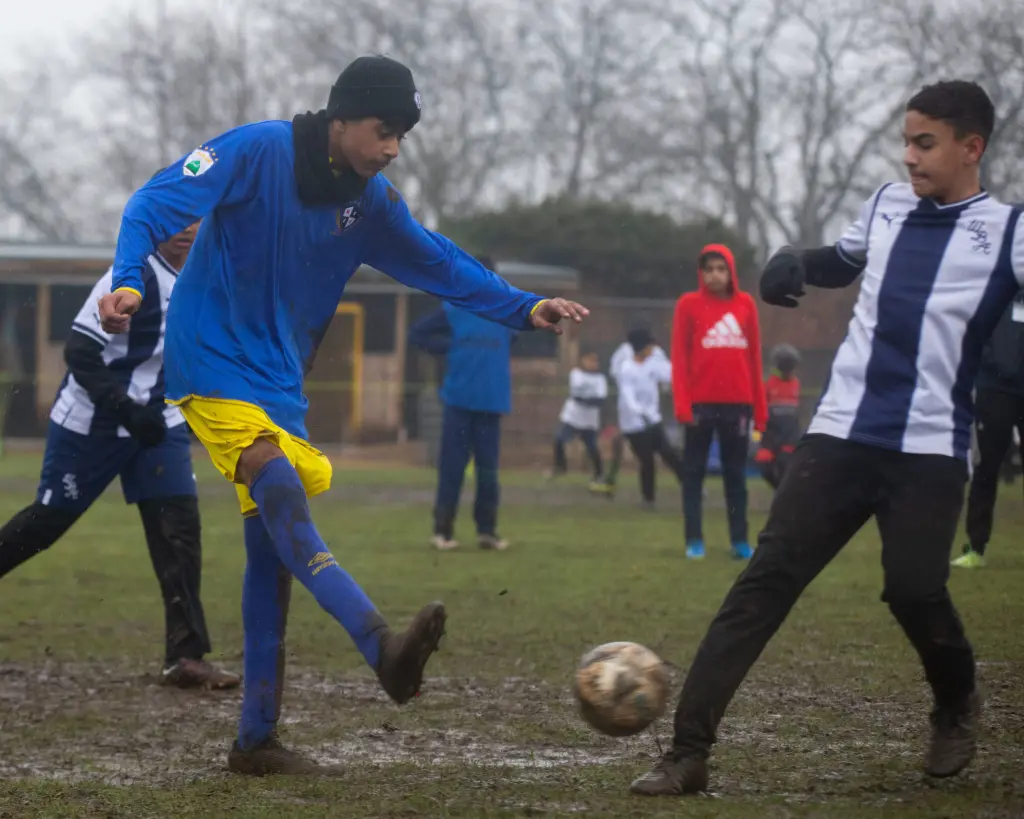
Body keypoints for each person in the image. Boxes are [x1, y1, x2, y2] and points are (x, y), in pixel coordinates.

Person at [97, 55, 587, 776]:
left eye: (402, 137)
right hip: (208, 356)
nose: (391, 149)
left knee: (271, 553)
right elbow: (151, 204)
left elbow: (441, 262)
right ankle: (378, 643)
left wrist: (523, 305)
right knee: (278, 484)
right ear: (341, 118)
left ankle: (255, 739)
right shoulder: (256, 149)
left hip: (279, 381)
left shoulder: (374, 203)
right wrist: (128, 280)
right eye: (382, 131)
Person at [630, 80, 1019, 798]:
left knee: (913, 589)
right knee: (764, 582)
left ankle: (957, 700)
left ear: (972, 147)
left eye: (924, 142)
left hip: (930, 448)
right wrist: (795, 261)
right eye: (904, 140)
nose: (908, 156)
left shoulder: (1009, 231)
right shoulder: (885, 204)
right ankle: (686, 752)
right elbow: (840, 259)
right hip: (840, 432)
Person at [0, 224, 238, 690]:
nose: (187, 231)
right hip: (95, 421)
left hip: (157, 422)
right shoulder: (130, 277)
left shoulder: (209, 275)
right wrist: (124, 407)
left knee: (179, 529)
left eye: (196, 219)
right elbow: (80, 353)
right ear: (155, 222)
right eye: (175, 219)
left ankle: (185, 657)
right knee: (46, 524)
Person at [408, 257, 518, 552]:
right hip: (458, 401)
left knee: (488, 471)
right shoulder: (453, 308)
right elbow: (417, 333)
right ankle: (442, 531)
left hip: (492, 403)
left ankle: (487, 531)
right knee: (452, 469)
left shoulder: (505, 312)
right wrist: (450, 347)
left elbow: (521, 332)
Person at [672, 244, 767, 561]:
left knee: (735, 476)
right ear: (701, 273)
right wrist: (683, 406)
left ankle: (739, 541)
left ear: (730, 272)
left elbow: (754, 357)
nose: (715, 275)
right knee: (694, 474)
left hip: (738, 405)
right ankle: (694, 540)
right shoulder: (688, 304)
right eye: (709, 269)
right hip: (700, 405)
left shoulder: (745, 305)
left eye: (720, 269)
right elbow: (680, 358)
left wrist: (760, 409)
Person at [955, 287, 1024, 568]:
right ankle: (976, 546)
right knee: (987, 468)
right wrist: (991, 364)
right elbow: (973, 336)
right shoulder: (992, 295)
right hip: (994, 390)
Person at [589, 331, 668, 497]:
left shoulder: (655, 353)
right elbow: (616, 375)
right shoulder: (623, 355)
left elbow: (666, 372)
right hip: (627, 411)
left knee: (656, 453)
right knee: (618, 445)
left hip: (648, 414)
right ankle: (610, 481)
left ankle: (611, 481)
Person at [616, 329, 683, 508]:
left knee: (670, 454)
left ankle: (691, 487)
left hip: (653, 420)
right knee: (647, 460)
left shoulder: (653, 364)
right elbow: (628, 397)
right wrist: (641, 413)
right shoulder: (627, 368)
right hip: (634, 424)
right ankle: (648, 498)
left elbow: (671, 374)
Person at [547, 349, 607, 486]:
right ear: (583, 361)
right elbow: (576, 396)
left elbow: (601, 400)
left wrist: (588, 399)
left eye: (595, 361)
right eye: (589, 360)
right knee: (559, 439)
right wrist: (590, 399)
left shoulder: (600, 379)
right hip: (573, 417)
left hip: (589, 420)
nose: (592, 364)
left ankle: (599, 474)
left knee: (592, 448)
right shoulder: (576, 374)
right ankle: (560, 467)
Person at [755, 344, 802, 490]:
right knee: (764, 466)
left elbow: (795, 413)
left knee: (784, 464)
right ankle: (781, 491)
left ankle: (786, 496)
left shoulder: (796, 384)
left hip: (789, 435)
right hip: (771, 434)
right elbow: (761, 410)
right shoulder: (767, 384)